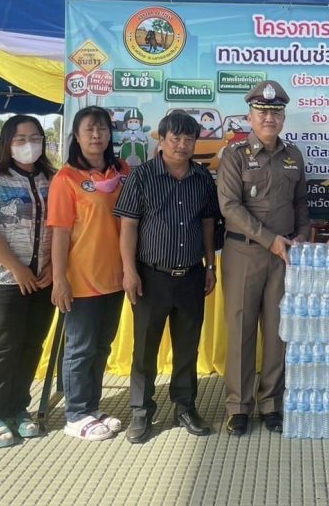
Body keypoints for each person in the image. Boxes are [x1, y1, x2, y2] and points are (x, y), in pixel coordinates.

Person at [115, 111, 220, 443]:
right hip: (150, 277)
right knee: (144, 349)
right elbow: (128, 226)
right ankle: (141, 411)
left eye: (189, 138)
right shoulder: (141, 176)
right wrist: (129, 271)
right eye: (175, 138)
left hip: (191, 276)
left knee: (187, 347)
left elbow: (208, 223)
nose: (182, 145)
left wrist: (210, 266)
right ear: (161, 140)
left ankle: (185, 407)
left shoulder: (203, 178)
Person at [217, 81, 310, 436]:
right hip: (244, 253)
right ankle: (238, 406)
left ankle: (271, 403)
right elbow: (229, 206)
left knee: (277, 331)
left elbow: (301, 202)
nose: (269, 118)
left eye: (275, 112)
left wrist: (302, 235)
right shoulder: (235, 156)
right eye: (262, 111)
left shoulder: (293, 155)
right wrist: (270, 239)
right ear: (250, 116)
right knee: (241, 330)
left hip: (284, 256)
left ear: (283, 117)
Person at [0, 115, 55, 448]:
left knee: (31, 344)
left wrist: (53, 267)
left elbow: (65, 227)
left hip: (42, 280)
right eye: (20, 139)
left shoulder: (54, 179)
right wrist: (16, 268)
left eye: (35, 138)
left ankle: (19, 408)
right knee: (2, 347)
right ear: (7, 143)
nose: (28, 144)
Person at [48, 105, 130, 441]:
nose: (96, 135)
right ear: (77, 137)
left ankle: (92, 408)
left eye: (102, 129)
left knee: (101, 346)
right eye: (89, 130)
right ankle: (76, 414)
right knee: (80, 348)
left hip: (116, 277)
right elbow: (60, 233)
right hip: (81, 279)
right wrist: (59, 279)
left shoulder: (123, 171)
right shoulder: (66, 178)